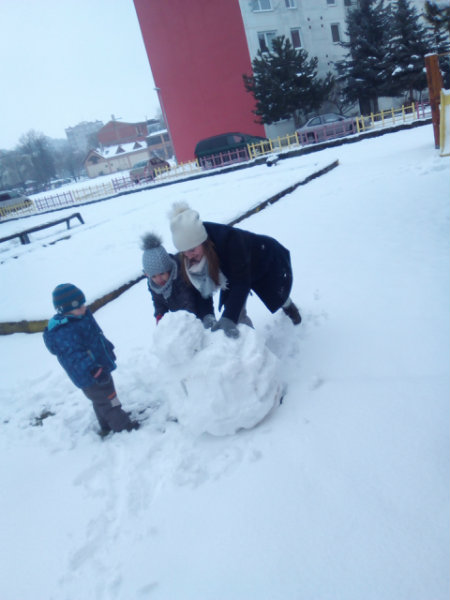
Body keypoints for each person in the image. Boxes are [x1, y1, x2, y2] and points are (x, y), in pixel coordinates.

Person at [169, 202, 302, 339]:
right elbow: (202, 287)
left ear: (203, 241)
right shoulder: (190, 256)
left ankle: (289, 306)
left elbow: (241, 282)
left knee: (276, 294)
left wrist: (229, 317)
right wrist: (207, 315)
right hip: (233, 273)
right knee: (236, 313)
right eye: (184, 252)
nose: (189, 256)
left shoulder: (230, 240)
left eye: (192, 250)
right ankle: (249, 345)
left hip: (263, 259)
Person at [43, 283, 139, 436]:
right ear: (64, 311)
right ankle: (123, 426)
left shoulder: (80, 317)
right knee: (110, 400)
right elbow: (75, 356)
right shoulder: (65, 331)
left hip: (99, 368)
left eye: (83, 304)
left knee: (102, 401)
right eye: (78, 307)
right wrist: (94, 370)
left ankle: (107, 424)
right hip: (92, 374)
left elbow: (96, 335)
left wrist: (107, 348)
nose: (84, 308)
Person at [142, 232, 216, 327]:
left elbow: (187, 300)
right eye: (153, 276)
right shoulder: (153, 285)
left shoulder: (180, 274)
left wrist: (186, 323)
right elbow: (158, 302)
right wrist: (160, 316)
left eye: (162, 274)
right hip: (180, 317)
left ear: (169, 269)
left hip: (199, 309)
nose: (158, 279)